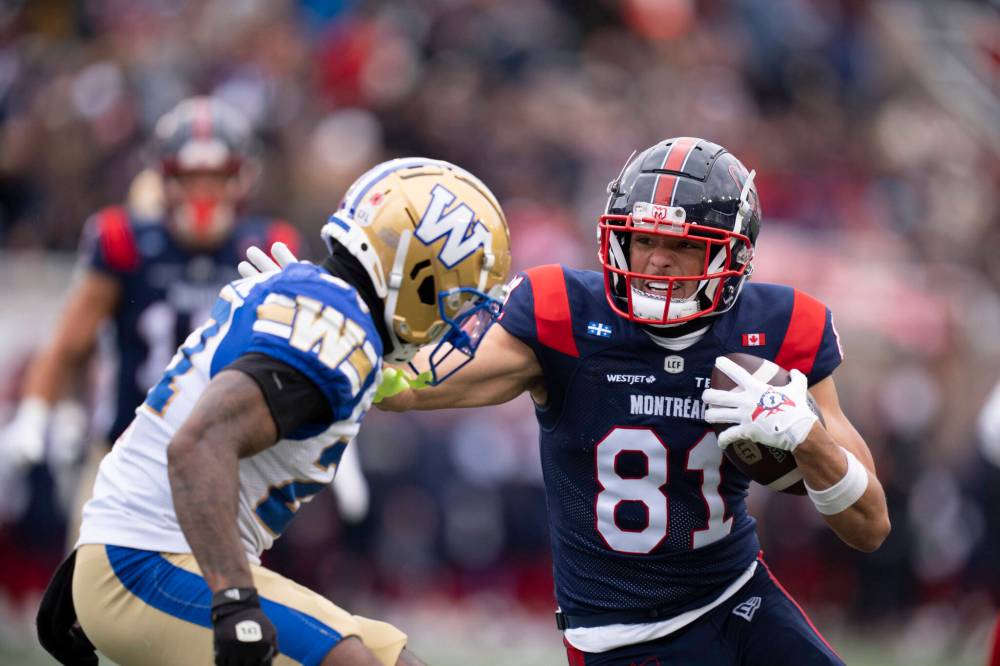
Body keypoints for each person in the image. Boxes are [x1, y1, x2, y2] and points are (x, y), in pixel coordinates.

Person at [371, 138, 889, 665]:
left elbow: (870, 526)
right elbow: (409, 386)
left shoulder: (778, 328)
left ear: (733, 255)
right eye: (642, 239)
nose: (658, 260)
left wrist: (805, 436)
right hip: (620, 637)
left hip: (738, 597)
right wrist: (348, 336)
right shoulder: (566, 314)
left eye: (683, 245)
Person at [35, 157, 512, 665]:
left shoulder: (324, 310)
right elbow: (196, 445)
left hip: (150, 551)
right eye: (457, 301)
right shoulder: (334, 330)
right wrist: (234, 602)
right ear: (418, 277)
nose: (457, 323)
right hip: (152, 560)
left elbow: (169, 421)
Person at [0, 96, 304, 535]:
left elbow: (296, 354)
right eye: (191, 177)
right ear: (165, 177)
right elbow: (70, 343)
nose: (204, 192)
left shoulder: (266, 245)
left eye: (217, 177)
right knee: (88, 568)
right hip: (124, 453)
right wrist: (36, 412)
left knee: (216, 576)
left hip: (224, 460)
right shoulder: (126, 241)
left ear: (241, 177)